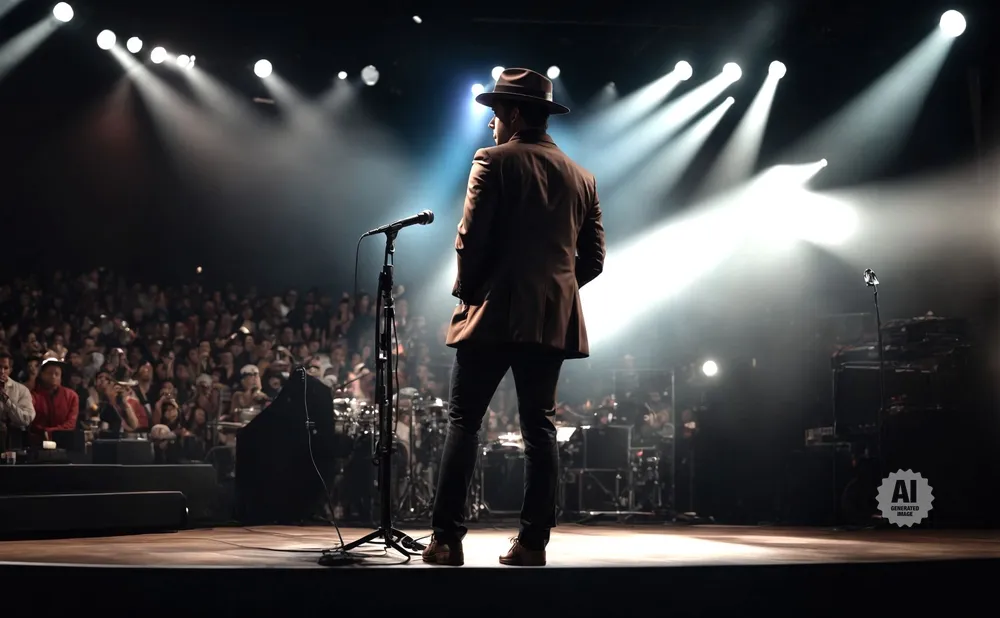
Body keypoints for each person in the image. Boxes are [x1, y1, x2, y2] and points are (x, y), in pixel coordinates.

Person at [423, 68, 605, 567]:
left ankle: (446, 541)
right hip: (549, 323)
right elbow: (592, 261)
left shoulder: (492, 161)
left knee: (464, 423)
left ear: (516, 113)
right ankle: (532, 544)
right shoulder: (582, 178)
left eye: (496, 114)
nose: (489, 125)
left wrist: (469, 291)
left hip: (492, 315)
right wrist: (551, 294)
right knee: (539, 429)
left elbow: (470, 238)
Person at [0, 351, 36, 430]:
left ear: (10, 370)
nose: (2, 371)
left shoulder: (21, 390)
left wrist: (7, 401)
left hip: (12, 438)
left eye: (5, 368)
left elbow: (26, 419)